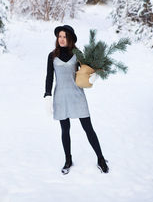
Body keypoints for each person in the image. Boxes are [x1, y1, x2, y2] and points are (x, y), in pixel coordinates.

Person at [44, 25, 109, 174]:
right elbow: (49, 77)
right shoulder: (52, 55)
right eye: (59, 36)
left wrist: (94, 75)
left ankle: (100, 158)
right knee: (65, 129)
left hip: (77, 95)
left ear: (70, 38)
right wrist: (47, 95)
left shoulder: (78, 54)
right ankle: (68, 159)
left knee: (88, 128)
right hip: (61, 96)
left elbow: (87, 71)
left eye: (65, 36)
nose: (61, 39)